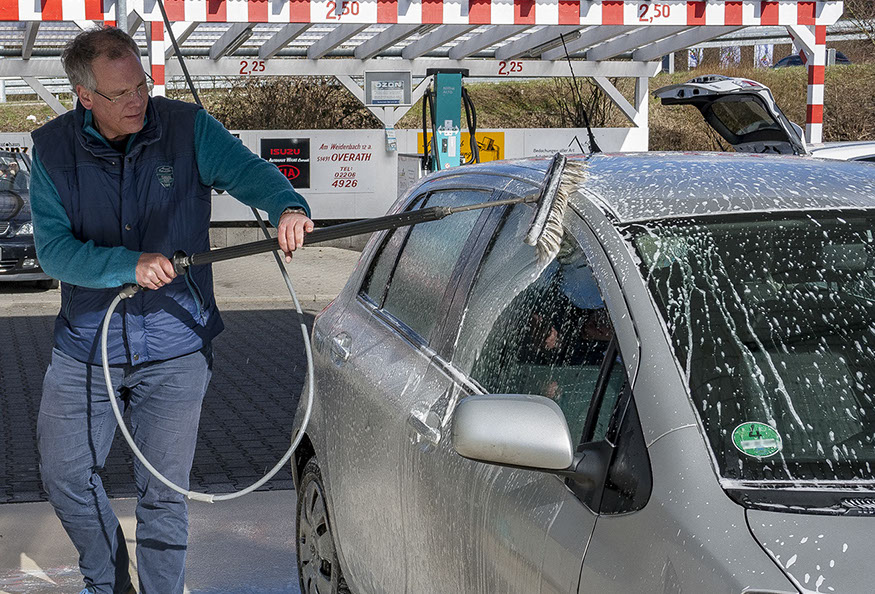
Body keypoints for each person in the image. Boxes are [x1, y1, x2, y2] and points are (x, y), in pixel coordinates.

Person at [29, 26, 313, 594]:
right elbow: (54, 251)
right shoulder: (50, 150)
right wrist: (126, 266)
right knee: (64, 476)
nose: (138, 100)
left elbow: (249, 172)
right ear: (85, 97)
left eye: (143, 84)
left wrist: (286, 203)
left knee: (163, 492)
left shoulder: (187, 128)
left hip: (176, 347)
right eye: (121, 93)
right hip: (86, 347)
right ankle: (107, 582)